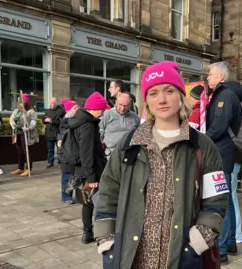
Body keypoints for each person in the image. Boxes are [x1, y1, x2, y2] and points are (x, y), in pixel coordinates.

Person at [94, 61, 227, 269]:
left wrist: (198, 241)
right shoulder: (129, 145)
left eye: (169, 91)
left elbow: (216, 200)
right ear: (146, 100)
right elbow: (107, 194)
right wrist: (107, 241)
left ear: (180, 95)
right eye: (154, 93)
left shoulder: (201, 146)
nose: (162, 100)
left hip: (181, 258)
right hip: (132, 257)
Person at [206, 61, 242, 262]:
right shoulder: (225, 94)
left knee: (222, 200)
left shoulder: (225, 95)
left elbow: (219, 126)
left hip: (222, 153)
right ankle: (229, 242)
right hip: (225, 152)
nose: (207, 77)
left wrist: (201, 139)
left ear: (221, 77)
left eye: (210, 74)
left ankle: (221, 250)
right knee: (227, 199)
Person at [68, 91, 107, 244]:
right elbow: (86, 152)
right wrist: (91, 177)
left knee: (87, 202)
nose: (103, 112)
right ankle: (100, 234)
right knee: (98, 202)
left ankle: (88, 233)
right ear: (94, 108)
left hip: (81, 168)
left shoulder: (77, 119)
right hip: (91, 170)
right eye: (101, 109)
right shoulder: (88, 125)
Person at [99, 92, 140, 157]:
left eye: (126, 106)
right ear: (116, 103)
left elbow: (139, 136)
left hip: (129, 154)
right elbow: (99, 135)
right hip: (109, 155)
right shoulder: (107, 115)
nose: (123, 108)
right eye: (120, 104)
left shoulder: (135, 117)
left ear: (130, 105)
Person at [9, 94, 39, 177]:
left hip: (26, 134)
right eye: (18, 100)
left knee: (27, 152)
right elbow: (11, 119)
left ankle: (28, 168)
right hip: (18, 133)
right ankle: (20, 167)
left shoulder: (30, 112)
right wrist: (13, 125)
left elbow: (33, 122)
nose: (18, 102)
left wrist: (29, 128)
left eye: (20, 100)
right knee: (20, 152)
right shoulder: (16, 111)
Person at [58, 99, 78, 205]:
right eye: (75, 107)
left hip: (75, 153)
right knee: (67, 176)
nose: (77, 109)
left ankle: (75, 195)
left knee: (76, 176)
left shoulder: (77, 120)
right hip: (66, 154)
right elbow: (63, 129)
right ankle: (66, 196)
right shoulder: (65, 121)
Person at [44, 97, 65, 168]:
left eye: (53, 103)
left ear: (56, 103)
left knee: (59, 149)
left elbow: (62, 122)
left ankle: (60, 162)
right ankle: (50, 162)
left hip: (57, 132)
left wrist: (52, 121)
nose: (51, 104)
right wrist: (45, 120)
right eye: (50, 103)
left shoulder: (60, 111)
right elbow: (43, 120)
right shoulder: (47, 111)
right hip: (49, 132)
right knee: (50, 149)